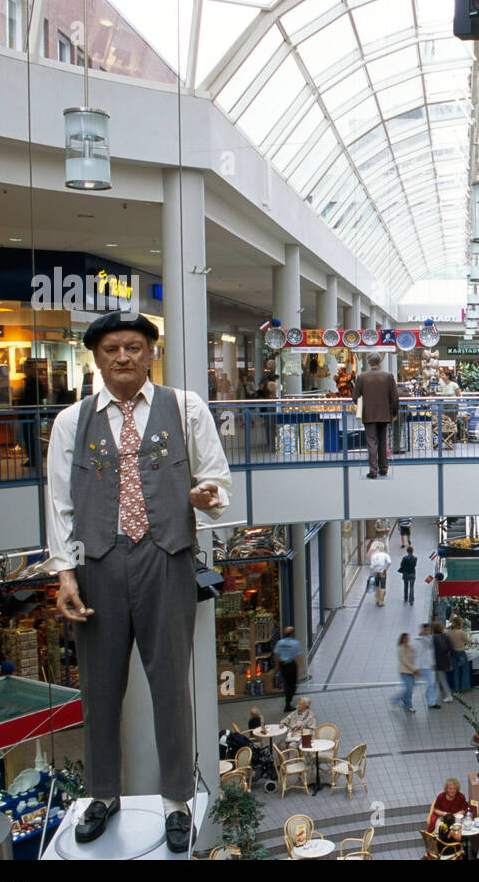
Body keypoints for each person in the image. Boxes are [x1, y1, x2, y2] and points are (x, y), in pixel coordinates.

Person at [45, 311, 231, 853]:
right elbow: (58, 503)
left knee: (170, 683)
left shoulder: (186, 407)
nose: (122, 357)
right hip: (98, 564)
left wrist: (205, 497)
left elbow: (218, 483)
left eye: (132, 346)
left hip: (167, 560)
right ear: (96, 358)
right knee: (99, 687)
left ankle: (177, 802)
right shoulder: (70, 422)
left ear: (151, 352)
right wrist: (65, 574)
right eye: (110, 349)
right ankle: (103, 796)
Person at [353, 352, 399, 479]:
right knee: (383, 440)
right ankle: (384, 468)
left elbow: (355, 396)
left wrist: (364, 404)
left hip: (368, 414)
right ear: (380, 362)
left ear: (368, 362)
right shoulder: (388, 376)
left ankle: (373, 470)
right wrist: (394, 412)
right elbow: (394, 398)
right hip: (384, 414)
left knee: (372, 441)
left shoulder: (362, 377)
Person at [273, 625, 301, 712]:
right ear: (292, 634)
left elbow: (276, 654)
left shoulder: (280, 642)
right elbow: (297, 657)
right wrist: (299, 667)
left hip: (283, 665)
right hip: (291, 665)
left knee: (286, 682)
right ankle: (288, 703)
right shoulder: (295, 643)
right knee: (292, 684)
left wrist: (277, 666)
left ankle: (287, 698)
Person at [415, 623, 440, 709]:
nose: (427, 632)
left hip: (429, 666)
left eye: (428, 630)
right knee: (411, 684)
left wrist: (434, 663)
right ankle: (403, 698)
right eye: (425, 630)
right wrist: (417, 667)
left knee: (431, 684)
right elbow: (417, 655)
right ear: (422, 630)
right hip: (421, 667)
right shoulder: (419, 641)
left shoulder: (430, 638)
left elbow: (431, 651)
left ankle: (432, 702)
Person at [431, 621, 455, 703]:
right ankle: (430, 695)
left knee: (441, 680)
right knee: (439, 679)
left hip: (437, 662)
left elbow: (432, 651)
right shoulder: (445, 636)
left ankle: (448, 696)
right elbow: (450, 647)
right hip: (444, 660)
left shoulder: (434, 638)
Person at [446, 616, 471, 692]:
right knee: (465, 670)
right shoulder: (460, 632)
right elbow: (468, 641)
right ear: (459, 623)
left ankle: (457, 688)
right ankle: (465, 688)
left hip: (452, 653)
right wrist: (470, 636)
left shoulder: (449, 633)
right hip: (461, 652)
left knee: (456, 671)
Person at [396, 632, 417, 713]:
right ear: (402, 639)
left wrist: (414, 670)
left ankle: (402, 699)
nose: (407, 640)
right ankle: (409, 706)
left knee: (409, 689)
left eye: (407, 638)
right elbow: (405, 661)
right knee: (409, 689)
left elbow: (413, 659)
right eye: (405, 638)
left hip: (411, 672)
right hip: (404, 672)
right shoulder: (401, 649)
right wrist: (415, 669)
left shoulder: (410, 648)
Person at [369, 542, 392, 606]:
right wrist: (385, 568)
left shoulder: (373, 556)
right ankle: (381, 601)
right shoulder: (386, 555)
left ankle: (378, 599)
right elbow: (389, 562)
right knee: (383, 586)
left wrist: (371, 574)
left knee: (377, 586)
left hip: (376, 573)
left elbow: (371, 566)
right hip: (383, 572)